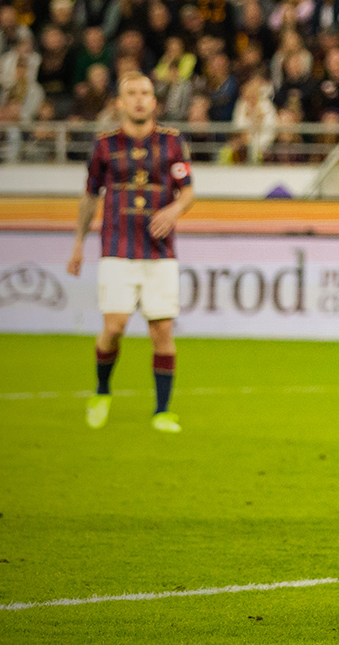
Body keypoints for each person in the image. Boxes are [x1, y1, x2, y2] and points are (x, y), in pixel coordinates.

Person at [67, 71, 194, 433]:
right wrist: (78, 244)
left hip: (160, 251)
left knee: (162, 330)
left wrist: (173, 211)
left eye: (145, 93)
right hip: (116, 247)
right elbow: (90, 196)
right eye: (132, 93)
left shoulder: (172, 142)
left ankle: (162, 411)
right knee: (115, 327)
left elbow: (188, 192)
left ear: (154, 101)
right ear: (120, 103)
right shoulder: (105, 145)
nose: (139, 99)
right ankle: (102, 390)